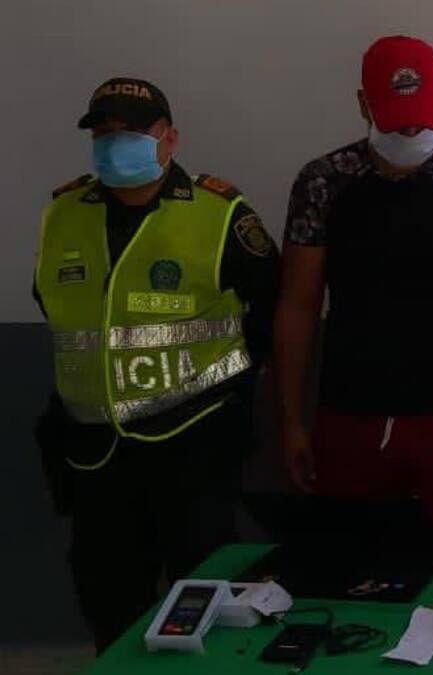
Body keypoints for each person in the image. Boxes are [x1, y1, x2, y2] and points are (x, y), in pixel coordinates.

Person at [33, 77, 280, 652]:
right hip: (95, 453)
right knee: (108, 602)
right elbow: (55, 305)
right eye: (103, 132)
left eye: (132, 131)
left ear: (169, 138)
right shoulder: (63, 212)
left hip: (194, 444)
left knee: (206, 605)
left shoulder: (219, 213)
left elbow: (272, 304)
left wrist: (240, 386)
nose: (114, 143)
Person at [274, 36, 433, 546]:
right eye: (397, 121)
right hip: (350, 416)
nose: (412, 132)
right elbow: (298, 306)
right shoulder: (324, 184)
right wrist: (292, 421)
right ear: (364, 104)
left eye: (421, 119)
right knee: (348, 567)